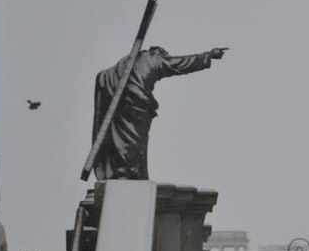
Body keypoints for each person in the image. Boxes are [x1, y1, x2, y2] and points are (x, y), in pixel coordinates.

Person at [92, 46, 227, 180]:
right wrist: (208, 55)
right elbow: (179, 64)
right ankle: (127, 174)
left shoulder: (119, 67)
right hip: (138, 106)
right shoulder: (153, 58)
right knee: (133, 144)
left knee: (122, 141)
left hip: (122, 106)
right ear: (156, 52)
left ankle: (123, 172)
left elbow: (103, 80)